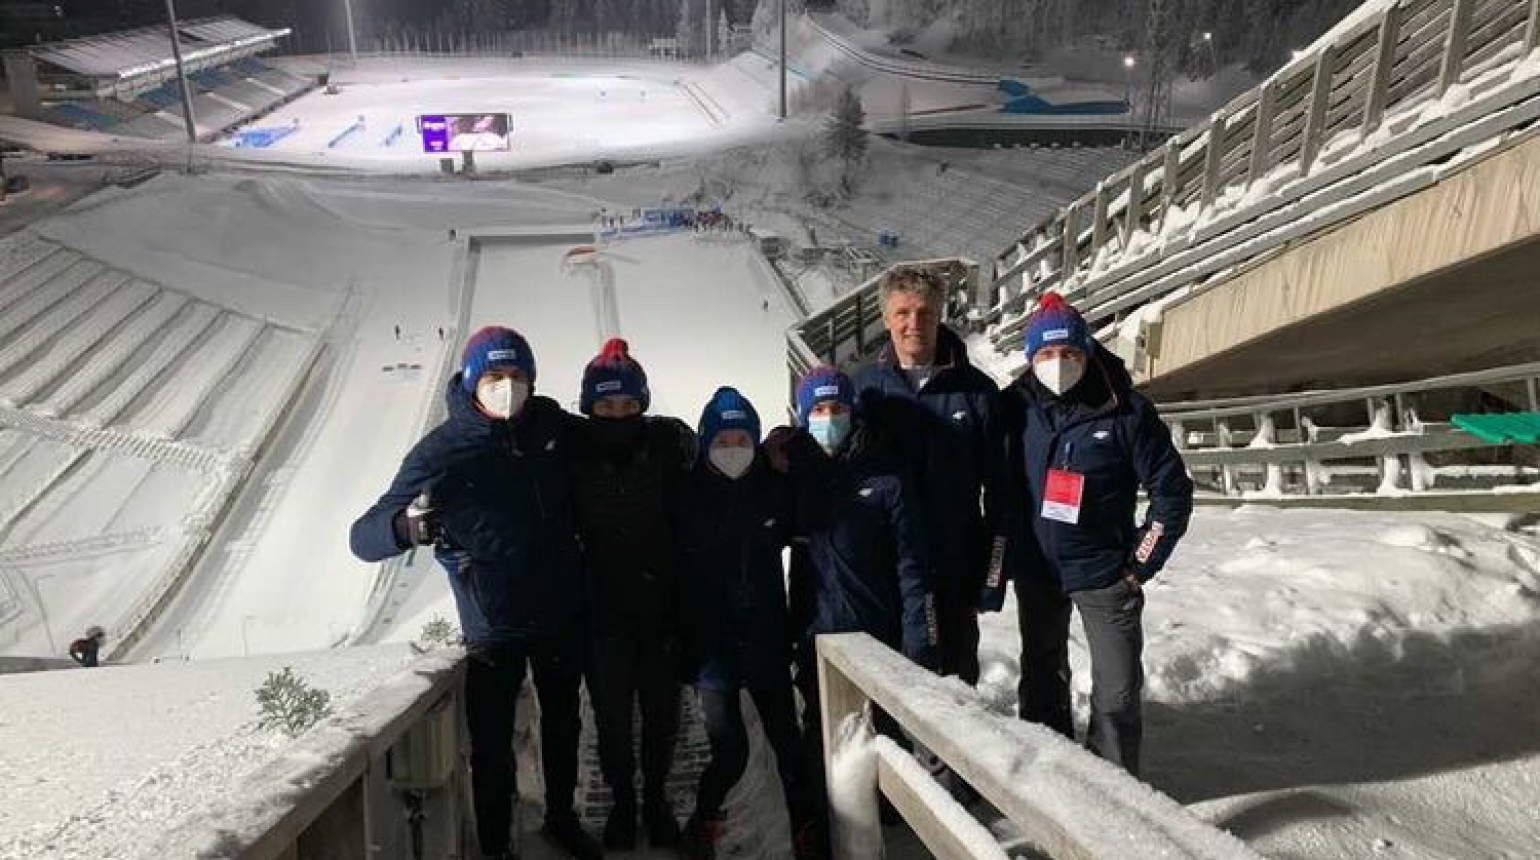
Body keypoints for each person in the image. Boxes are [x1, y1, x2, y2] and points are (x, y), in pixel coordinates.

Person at [349, 326, 602, 860]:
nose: (507, 387)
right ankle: (495, 844)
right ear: (471, 381)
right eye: (494, 376)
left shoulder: (550, 425)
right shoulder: (443, 451)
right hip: (492, 624)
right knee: (491, 744)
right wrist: (406, 528)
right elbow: (363, 537)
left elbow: (613, 438)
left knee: (563, 723)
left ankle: (561, 817)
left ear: (531, 379)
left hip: (560, 610)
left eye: (516, 375)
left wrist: (673, 438)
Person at [993, 293, 1193, 776]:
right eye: (1045, 353)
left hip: (1104, 573)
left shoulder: (1125, 410)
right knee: (1041, 674)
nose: (1057, 363)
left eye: (1069, 353)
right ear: (1031, 357)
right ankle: (1050, 773)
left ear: (1086, 351)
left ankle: (1112, 782)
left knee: (1117, 691)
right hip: (1038, 571)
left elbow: (1171, 492)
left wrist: (1140, 563)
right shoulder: (1014, 407)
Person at [780, 367, 938, 851]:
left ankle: (895, 821)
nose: (829, 418)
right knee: (822, 735)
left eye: (837, 408)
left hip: (878, 633)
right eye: (819, 410)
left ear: (853, 412)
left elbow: (913, 566)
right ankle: (823, 826)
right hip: (818, 635)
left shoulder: (886, 476)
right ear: (804, 417)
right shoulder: (794, 472)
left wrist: (920, 639)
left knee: (884, 732)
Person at [675, 388, 815, 860]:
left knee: (789, 748)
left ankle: (807, 831)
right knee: (730, 750)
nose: (732, 448)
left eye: (742, 439)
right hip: (711, 648)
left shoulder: (772, 488)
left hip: (764, 639)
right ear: (705, 443)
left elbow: (811, 514)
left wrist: (791, 447)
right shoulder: (685, 495)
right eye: (722, 440)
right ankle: (703, 821)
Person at [852, 266, 1006, 686]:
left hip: (953, 565)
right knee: (889, 682)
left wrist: (992, 574)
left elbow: (1002, 491)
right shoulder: (865, 389)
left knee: (955, 685)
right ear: (885, 318)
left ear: (941, 315)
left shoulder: (977, 392)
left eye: (925, 312)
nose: (913, 323)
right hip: (885, 567)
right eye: (902, 313)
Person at [567, 338, 694, 851]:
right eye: (606, 406)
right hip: (603, 615)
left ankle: (656, 800)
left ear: (642, 403)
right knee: (613, 721)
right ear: (589, 406)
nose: (617, 415)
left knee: (662, 716)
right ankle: (623, 801)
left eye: (627, 405)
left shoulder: (667, 446)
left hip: (661, 610)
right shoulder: (572, 452)